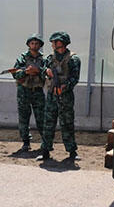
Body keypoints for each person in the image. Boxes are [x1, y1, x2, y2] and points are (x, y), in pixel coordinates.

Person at [36, 31, 81, 161]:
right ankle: (45, 151)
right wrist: (47, 71)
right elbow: (42, 70)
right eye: (53, 42)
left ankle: (72, 151)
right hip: (52, 95)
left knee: (67, 123)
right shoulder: (50, 58)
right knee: (48, 123)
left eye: (55, 42)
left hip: (65, 96)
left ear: (62, 43)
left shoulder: (73, 59)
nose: (53, 44)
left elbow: (75, 78)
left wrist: (65, 86)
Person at [12, 34, 46, 152]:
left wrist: (38, 71)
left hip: (37, 91)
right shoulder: (22, 58)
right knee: (24, 117)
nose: (34, 45)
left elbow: (48, 73)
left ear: (40, 45)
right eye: (32, 43)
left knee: (41, 117)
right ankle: (26, 142)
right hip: (24, 90)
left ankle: (45, 142)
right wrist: (26, 72)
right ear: (28, 45)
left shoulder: (44, 59)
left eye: (37, 44)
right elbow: (15, 74)